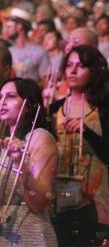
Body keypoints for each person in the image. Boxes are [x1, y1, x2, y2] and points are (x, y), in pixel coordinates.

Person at [49, 45, 109, 246]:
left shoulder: (108, 108)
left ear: (94, 71)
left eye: (81, 66)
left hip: (97, 203)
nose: (72, 71)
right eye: (69, 65)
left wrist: (87, 131)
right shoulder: (55, 108)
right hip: (60, 199)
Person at [0, 78, 58, 246]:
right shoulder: (4, 141)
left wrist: (19, 161)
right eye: (0, 96)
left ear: (27, 106)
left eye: (10, 96)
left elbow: (39, 201)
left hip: (29, 236)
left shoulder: (38, 137)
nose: (2, 102)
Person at [4, 8, 51, 84]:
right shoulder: (7, 51)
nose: (7, 28)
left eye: (10, 26)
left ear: (20, 26)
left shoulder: (39, 52)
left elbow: (46, 82)